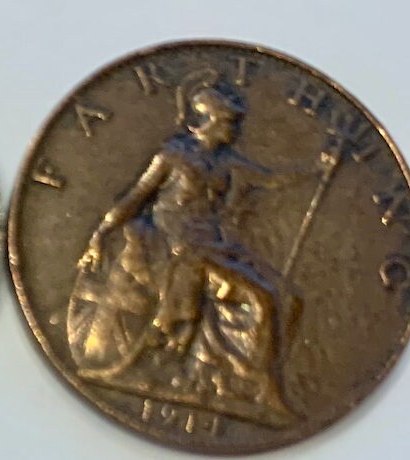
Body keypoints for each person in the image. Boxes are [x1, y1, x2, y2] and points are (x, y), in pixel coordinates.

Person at [69, 83, 334, 426]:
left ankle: (228, 380)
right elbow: (134, 199)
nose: (234, 130)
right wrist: (100, 235)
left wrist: (316, 170)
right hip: (177, 246)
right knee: (262, 301)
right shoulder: (172, 157)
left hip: (216, 246)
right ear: (208, 121)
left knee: (289, 297)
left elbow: (270, 180)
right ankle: (263, 390)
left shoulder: (226, 160)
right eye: (228, 122)